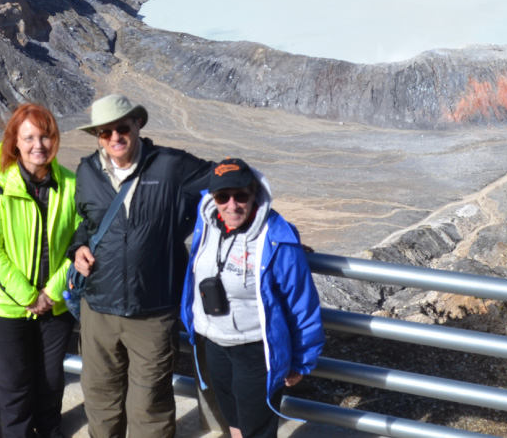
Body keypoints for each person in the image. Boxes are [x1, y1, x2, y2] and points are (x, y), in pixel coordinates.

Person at [67, 94, 214, 438]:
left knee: (149, 402)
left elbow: (230, 182)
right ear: (97, 137)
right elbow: (87, 223)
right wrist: (78, 247)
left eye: (122, 128)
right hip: (99, 308)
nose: (114, 138)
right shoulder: (87, 171)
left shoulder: (171, 165)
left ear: (138, 125)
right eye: (105, 132)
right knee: (100, 395)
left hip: (153, 310)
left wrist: (275, 232)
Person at [181, 159, 323, 438]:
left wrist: (300, 361)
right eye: (223, 196)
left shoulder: (276, 239)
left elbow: (301, 304)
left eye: (241, 196)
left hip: (256, 350)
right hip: (213, 342)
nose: (232, 205)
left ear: (255, 193)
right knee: (233, 419)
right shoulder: (204, 218)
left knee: (256, 428)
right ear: (213, 197)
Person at [0, 103, 80, 438]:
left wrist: (50, 292)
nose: (39, 144)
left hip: (55, 303)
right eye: (29, 136)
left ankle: (49, 432)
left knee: (50, 380)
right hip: (7, 305)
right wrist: (28, 295)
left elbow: (79, 243)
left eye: (45, 135)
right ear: (14, 143)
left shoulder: (72, 186)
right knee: (16, 382)